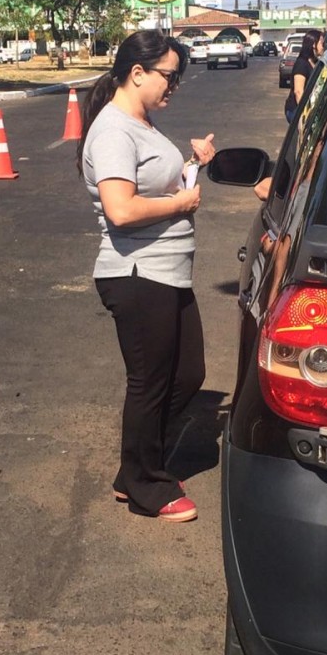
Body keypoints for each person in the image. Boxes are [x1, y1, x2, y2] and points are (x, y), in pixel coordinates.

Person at [78, 30, 216, 523]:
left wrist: (191, 166)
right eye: (169, 76)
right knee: (150, 382)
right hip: (137, 274)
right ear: (137, 73)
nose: (174, 85)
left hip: (168, 272)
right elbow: (121, 209)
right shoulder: (114, 129)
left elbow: (153, 186)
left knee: (188, 375)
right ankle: (143, 485)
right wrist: (181, 201)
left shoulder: (142, 122)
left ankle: (135, 466)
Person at [284, 29, 324, 123]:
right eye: (322, 43)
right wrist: (305, 115)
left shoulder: (316, 62)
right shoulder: (301, 63)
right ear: (314, 44)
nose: (323, 47)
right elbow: (298, 91)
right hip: (296, 110)